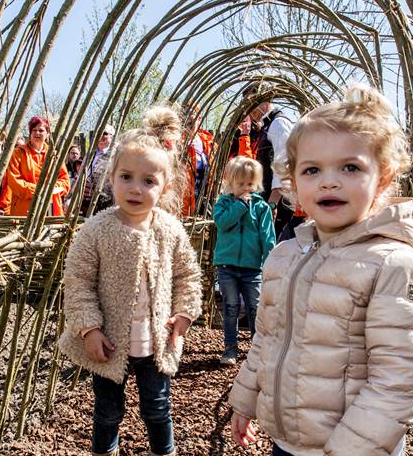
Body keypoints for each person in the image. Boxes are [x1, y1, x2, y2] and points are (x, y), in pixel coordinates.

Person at [228, 84, 413, 456]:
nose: (329, 180)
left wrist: (349, 448)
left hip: (355, 446)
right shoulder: (285, 255)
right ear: (292, 181)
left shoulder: (394, 266)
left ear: (384, 176)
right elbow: (267, 339)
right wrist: (244, 400)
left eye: (350, 167)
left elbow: (397, 381)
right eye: (312, 170)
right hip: (287, 441)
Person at [59, 106, 203, 456]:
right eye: (127, 177)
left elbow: (188, 275)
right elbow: (77, 281)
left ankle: (163, 451)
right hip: (109, 343)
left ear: (165, 187)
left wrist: (184, 313)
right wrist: (89, 329)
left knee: (158, 408)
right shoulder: (96, 229)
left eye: (149, 181)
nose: (136, 188)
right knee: (108, 412)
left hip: (156, 342)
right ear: (112, 177)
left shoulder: (169, 230)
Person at [213, 156, 275, 366]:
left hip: (252, 268)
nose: (246, 188)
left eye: (250, 184)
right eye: (241, 184)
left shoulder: (261, 208)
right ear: (231, 183)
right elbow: (222, 223)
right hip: (227, 266)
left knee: (255, 308)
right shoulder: (224, 203)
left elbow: (268, 238)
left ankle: (257, 348)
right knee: (231, 307)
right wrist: (239, 205)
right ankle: (230, 348)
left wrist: (269, 264)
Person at [243, 83, 294, 235]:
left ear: (264, 100)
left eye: (251, 104)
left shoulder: (278, 124)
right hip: (270, 201)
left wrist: (272, 204)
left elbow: (285, 165)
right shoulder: (267, 125)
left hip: (280, 204)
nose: (249, 110)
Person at [4, 117, 70, 216]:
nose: (37, 133)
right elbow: (14, 181)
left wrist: (51, 188)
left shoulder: (54, 155)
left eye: (41, 130)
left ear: (48, 134)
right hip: (24, 207)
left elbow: (65, 181)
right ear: (30, 133)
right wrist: (38, 190)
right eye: (34, 130)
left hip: (51, 208)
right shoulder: (18, 153)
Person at [181, 104, 216, 217]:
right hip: (183, 202)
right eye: (184, 119)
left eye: (191, 120)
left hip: (204, 201)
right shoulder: (177, 142)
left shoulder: (208, 142)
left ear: (199, 119)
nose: (187, 124)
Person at [81, 125, 115, 216]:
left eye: (104, 133)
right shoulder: (89, 155)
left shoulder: (114, 156)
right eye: (98, 133)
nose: (101, 136)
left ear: (111, 136)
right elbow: (80, 175)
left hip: (104, 201)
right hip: (84, 200)